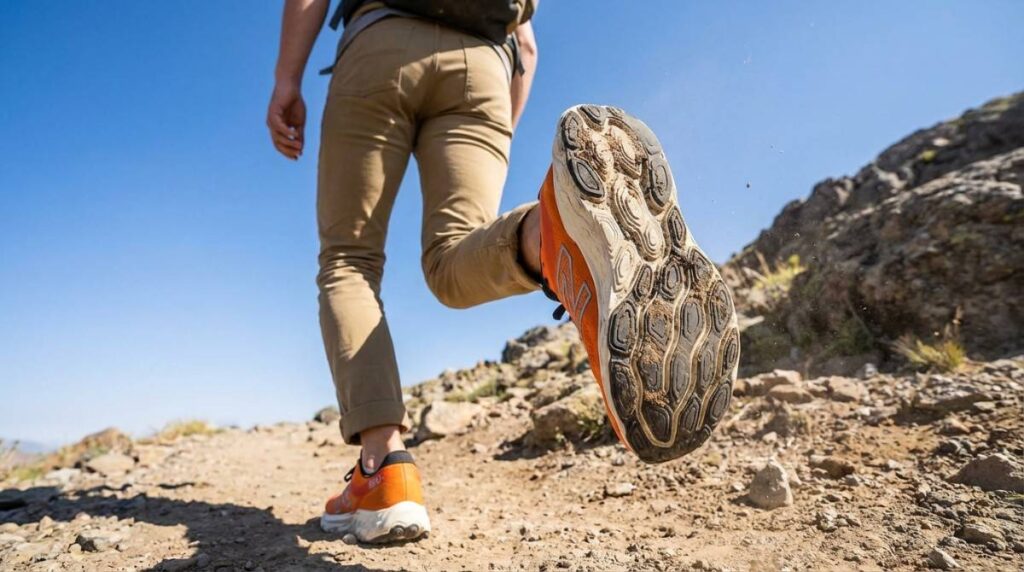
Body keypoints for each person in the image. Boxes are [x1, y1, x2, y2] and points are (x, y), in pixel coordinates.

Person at [268, 0, 738, 545]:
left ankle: (382, 468)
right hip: (486, 64)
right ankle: (547, 235)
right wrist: (494, 125)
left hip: (378, 46)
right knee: (451, 259)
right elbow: (529, 47)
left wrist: (287, 80)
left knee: (349, 260)